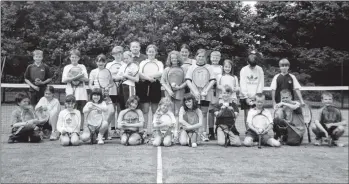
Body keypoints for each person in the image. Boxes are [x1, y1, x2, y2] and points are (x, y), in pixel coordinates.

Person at [185, 49, 216, 142]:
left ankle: (203, 133)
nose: (201, 58)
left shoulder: (209, 67)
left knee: (204, 113)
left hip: (205, 95)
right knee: (194, 113)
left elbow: (213, 80)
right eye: (199, 56)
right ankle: (195, 132)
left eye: (203, 56)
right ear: (196, 57)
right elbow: (188, 80)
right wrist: (194, 91)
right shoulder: (192, 67)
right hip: (194, 94)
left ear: (205, 58)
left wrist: (206, 90)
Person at [138, 44, 164, 136]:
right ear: (146, 52)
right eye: (149, 51)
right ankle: (144, 130)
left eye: (153, 51)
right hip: (144, 85)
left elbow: (161, 72)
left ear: (156, 52)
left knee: (155, 110)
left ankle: (155, 129)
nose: (151, 53)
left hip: (155, 86)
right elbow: (140, 73)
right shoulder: (142, 63)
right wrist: (149, 79)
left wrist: (151, 77)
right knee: (145, 109)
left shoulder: (159, 63)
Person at [61, 49, 89, 132]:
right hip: (70, 93)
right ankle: (70, 128)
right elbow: (64, 80)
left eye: (76, 57)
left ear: (79, 58)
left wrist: (76, 77)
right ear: (70, 58)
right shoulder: (67, 67)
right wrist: (75, 77)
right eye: (72, 57)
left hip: (81, 94)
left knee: (81, 112)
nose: (74, 59)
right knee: (70, 110)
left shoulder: (82, 67)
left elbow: (86, 79)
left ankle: (80, 129)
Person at [88, 54, 114, 140]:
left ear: (105, 62)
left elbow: (111, 83)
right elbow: (90, 84)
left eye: (102, 61)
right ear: (96, 62)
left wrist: (108, 87)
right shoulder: (93, 72)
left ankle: (105, 130)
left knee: (111, 111)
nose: (100, 63)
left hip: (106, 95)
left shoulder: (108, 71)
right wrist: (95, 91)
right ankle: (99, 133)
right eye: (99, 61)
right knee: (98, 113)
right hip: (97, 96)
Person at [239, 54, 264, 130]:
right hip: (245, 96)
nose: (253, 67)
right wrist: (246, 97)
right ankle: (248, 131)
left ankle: (256, 131)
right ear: (247, 62)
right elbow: (242, 84)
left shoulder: (260, 69)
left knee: (256, 114)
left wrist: (257, 95)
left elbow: (261, 83)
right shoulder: (243, 70)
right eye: (251, 66)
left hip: (256, 96)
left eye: (254, 66)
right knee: (247, 115)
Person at [106, 46, 125, 138]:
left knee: (121, 110)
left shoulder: (125, 64)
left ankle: (120, 129)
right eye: (115, 54)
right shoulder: (109, 65)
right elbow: (107, 76)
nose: (118, 56)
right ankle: (113, 129)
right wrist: (113, 78)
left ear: (122, 54)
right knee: (112, 110)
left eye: (119, 54)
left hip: (122, 90)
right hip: (112, 90)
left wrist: (120, 78)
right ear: (113, 55)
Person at [207, 50, 223, 140]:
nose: (215, 59)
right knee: (211, 112)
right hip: (210, 91)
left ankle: (219, 129)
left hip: (220, 92)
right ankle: (211, 131)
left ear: (220, 58)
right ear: (210, 58)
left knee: (220, 111)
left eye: (217, 57)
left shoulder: (222, 67)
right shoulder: (208, 67)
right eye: (213, 57)